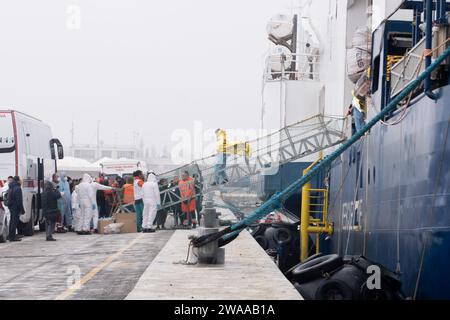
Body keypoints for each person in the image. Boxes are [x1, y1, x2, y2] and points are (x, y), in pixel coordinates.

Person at [7, 176, 25, 242]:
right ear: (18, 181)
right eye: (20, 180)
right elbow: (19, 200)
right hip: (16, 207)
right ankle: (12, 237)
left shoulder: (11, 187)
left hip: (11, 207)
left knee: (12, 222)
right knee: (14, 222)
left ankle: (11, 235)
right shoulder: (17, 188)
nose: (21, 181)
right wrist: (22, 210)